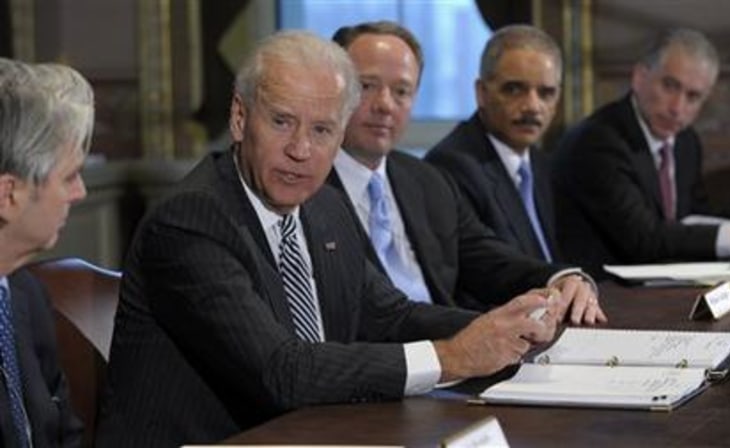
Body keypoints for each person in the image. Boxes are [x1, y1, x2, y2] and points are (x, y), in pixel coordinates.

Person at [96, 30, 560, 447]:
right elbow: (282, 371)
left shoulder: (325, 207)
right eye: (281, 122)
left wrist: (500, 332)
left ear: (341, 136)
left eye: (321, 130)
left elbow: (389, 316)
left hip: (315, 434)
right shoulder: (190, 220)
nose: (301, 150)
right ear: (239, 118)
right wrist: (452, 357)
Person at [329, 21, 604, 322]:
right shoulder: (307, 189)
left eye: (402, 91)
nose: (385, 105)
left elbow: (488, 260)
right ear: (333, 90)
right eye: (367, 86)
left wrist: (561, 279)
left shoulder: (425, 180)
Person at [550, 28, 730, 274]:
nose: (677, 108)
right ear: (640, 77)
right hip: (602, 294)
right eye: (670, 86)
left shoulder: (685, 141)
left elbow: (693, 218)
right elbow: (643, 239)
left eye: (693, 97)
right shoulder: (597, 141)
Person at [0, 58, 92, 447]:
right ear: (8, 195)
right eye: (69, 176)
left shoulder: (26, 296)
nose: (81, 192)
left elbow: (64, 435)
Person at [426, 24, 563, 264]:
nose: (532, 106)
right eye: (514, 89)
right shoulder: (451, 167)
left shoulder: (541, 164)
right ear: (481, 93)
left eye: (546, 93)